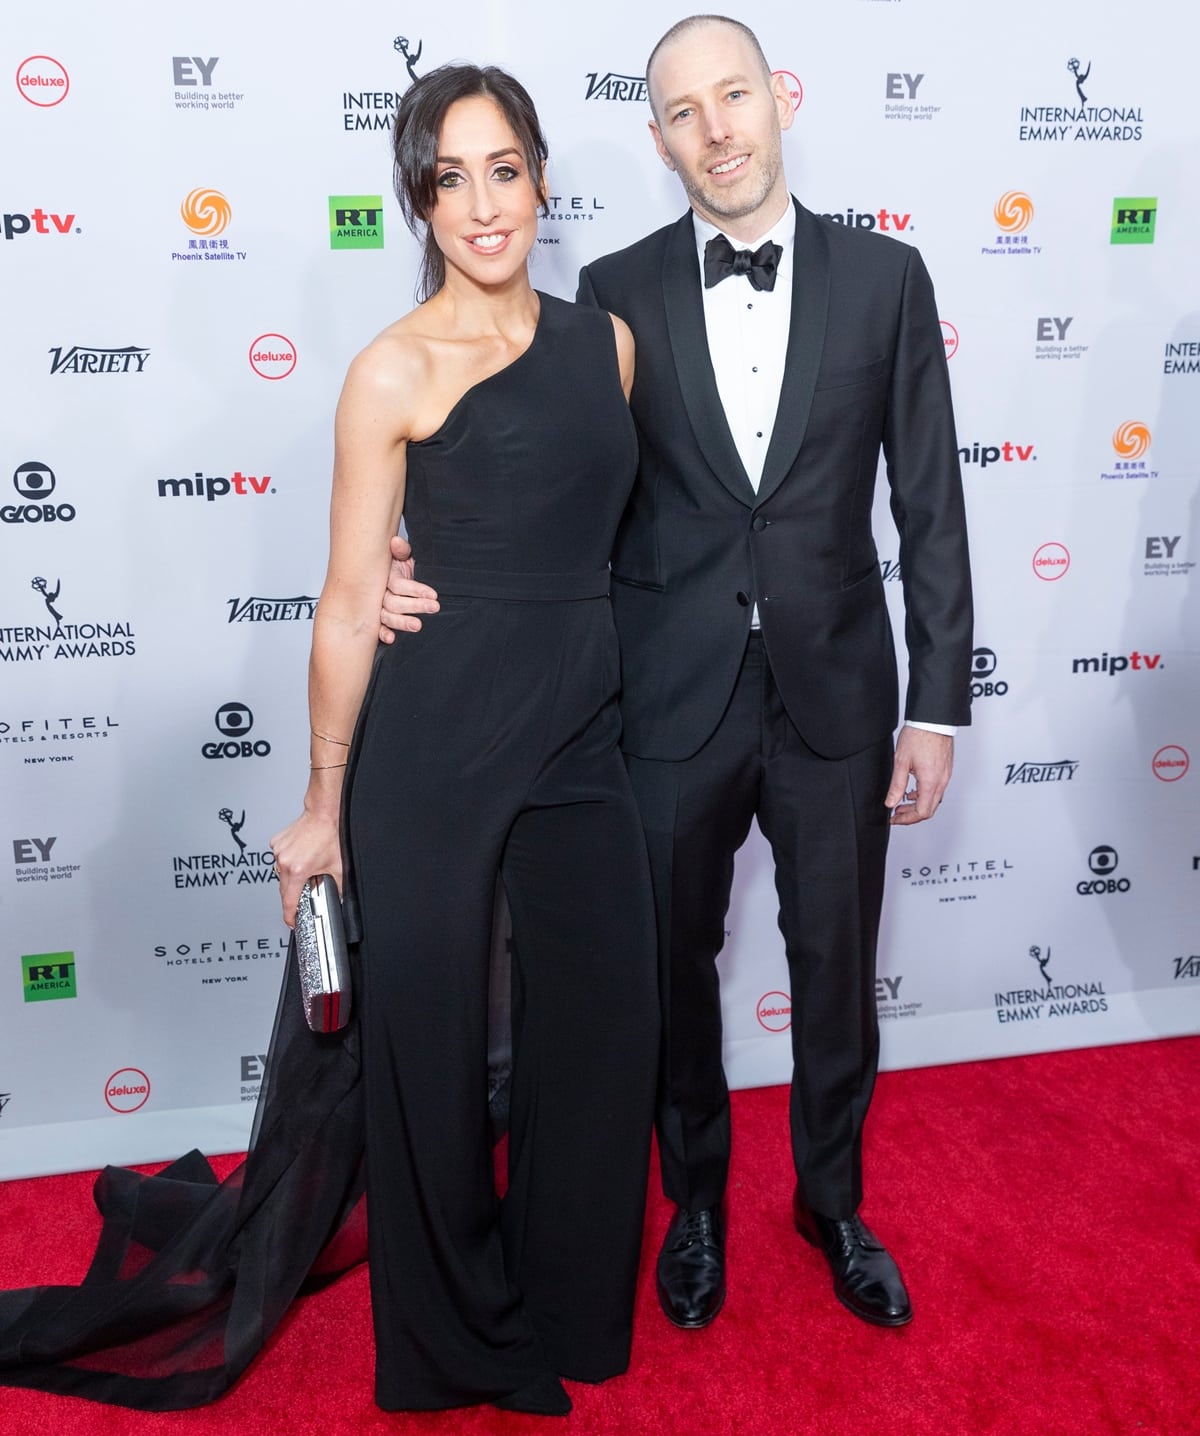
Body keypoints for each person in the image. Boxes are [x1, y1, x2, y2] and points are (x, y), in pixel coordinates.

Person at [0, 64, 657, 1418]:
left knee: (598, 1035)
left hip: (584, 735)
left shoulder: (610, 343)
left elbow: (599, 531)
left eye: (504, 170)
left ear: (539, 176)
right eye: (447, 179)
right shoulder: (391, 368)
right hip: (435, 745)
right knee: (419, 1056)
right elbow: (351, 596)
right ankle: (453, 1345)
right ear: (416, 200)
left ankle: (574, 1309)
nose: (482, 206)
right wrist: (322, 799)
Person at [381, 16, 972, 1334]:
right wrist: (403, 554)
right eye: (685, 113)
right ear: (658, 141)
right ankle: (693, 1202)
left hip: (838, 695)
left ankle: (832, 1202)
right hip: (662, 692)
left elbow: (929, 506)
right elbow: (552, 475)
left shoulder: (888, 279)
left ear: (779, 100)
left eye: (734, 97)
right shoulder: (617, 292)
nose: (717, 130)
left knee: (837, 966)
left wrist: (936, 703)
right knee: (670, 970)